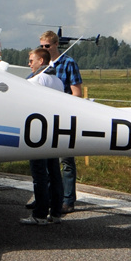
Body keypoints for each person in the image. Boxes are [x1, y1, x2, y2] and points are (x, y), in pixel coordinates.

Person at [41, 30, 87, 215]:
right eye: (41, 46)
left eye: (47, 46)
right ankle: (45, 197)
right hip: (44, 117)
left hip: (63, 117)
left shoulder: (68, 63)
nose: (44, 49)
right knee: (44, 161)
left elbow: (76, 92)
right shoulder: (41, 63)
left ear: (55, 45)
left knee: (66, 161)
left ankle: (68, 200)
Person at [22, 47, 64, 225]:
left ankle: (39, 214)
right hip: (55, 132)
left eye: (32, 60)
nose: (29, 64)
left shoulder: (36, 80)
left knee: (40, 175)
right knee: (54, 173)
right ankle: (55, 213)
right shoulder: (58, 80)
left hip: (39, 134)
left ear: (41, 61)